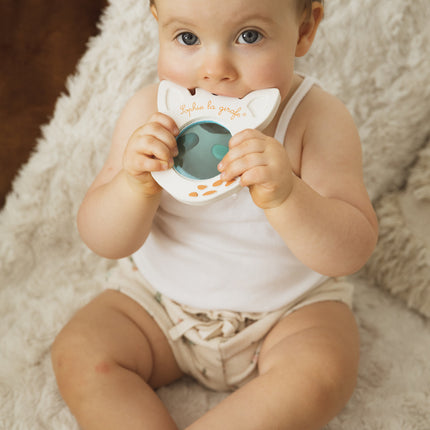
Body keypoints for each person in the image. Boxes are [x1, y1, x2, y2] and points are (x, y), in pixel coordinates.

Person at [51, 0, 378, 429]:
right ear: (158, 26)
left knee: (322, 373)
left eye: (249, 36)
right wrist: (133, 186)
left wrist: (287, 196)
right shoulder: (149, 115)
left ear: (303, 29)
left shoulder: (316, 119)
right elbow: (102, 238)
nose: (215, 69)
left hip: (288, 312)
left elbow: (351, 249)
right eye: (187, 38)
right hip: (160, 306)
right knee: (78, 352)